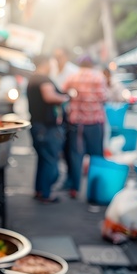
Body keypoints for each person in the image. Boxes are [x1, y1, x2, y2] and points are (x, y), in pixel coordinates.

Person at [63, 55, 108, 199]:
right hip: (94, 122)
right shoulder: (98, 77)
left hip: (76, 123)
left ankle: (74, 189)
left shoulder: (72, 76)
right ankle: (96, 190)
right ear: (92, 64)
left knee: (76, 156)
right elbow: (104, 97)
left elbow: (63, 92)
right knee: (96, 157)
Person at [27, 55, 70, 203]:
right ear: (45, 63)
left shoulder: (33, 78)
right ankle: (46, 194)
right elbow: (49, 97)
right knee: (50, 161)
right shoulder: (42, 79)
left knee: (43, 160)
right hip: (46, 128)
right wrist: (66, 97)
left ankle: (40, 190)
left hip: (38, 125)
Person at [50, 46, 79, 191]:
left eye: (60, 56)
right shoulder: (52, 69)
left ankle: (72, 180)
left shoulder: (73, 71)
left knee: (71, 150)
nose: (57, 59)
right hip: (55, 115)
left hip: (70, 115)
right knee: (58, 149)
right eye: (56, 57)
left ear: (66, 56)